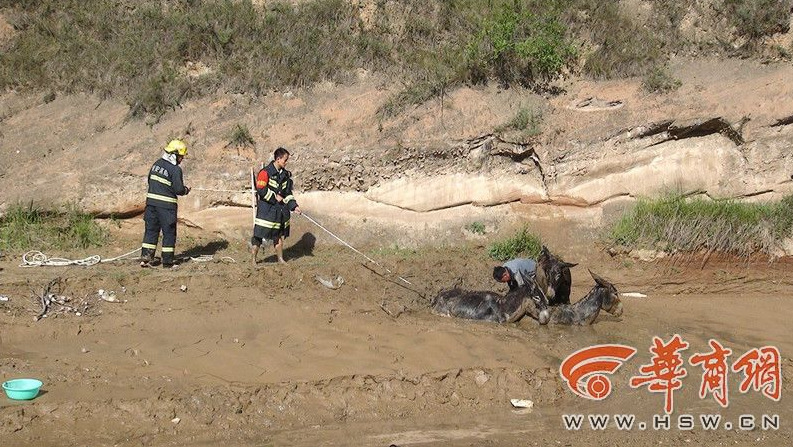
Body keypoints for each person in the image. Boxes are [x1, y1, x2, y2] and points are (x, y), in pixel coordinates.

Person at [140, 139, 191, 269]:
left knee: (151, 230)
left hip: (151, 205)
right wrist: (186, 190)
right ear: (173, 154)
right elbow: (178, 189)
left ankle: (146, 259)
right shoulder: (175, 170)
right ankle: (167, 261)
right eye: (180, 156)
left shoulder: (156, 164)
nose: (181, 159)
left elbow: (149, 180)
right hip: (167, 207)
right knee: (169, 232)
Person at [251, 147, 301, 265]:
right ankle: (253, 260)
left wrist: (294, 206)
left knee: (278, 235)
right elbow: (261, 189)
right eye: (285, 160)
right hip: (266, 211)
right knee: (258, 236)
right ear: (278, 159)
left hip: (279, 212)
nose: (286, 162)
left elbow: (287, 194)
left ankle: (280, 259)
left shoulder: (285, 175)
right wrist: (274, 197)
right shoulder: (264, 172)